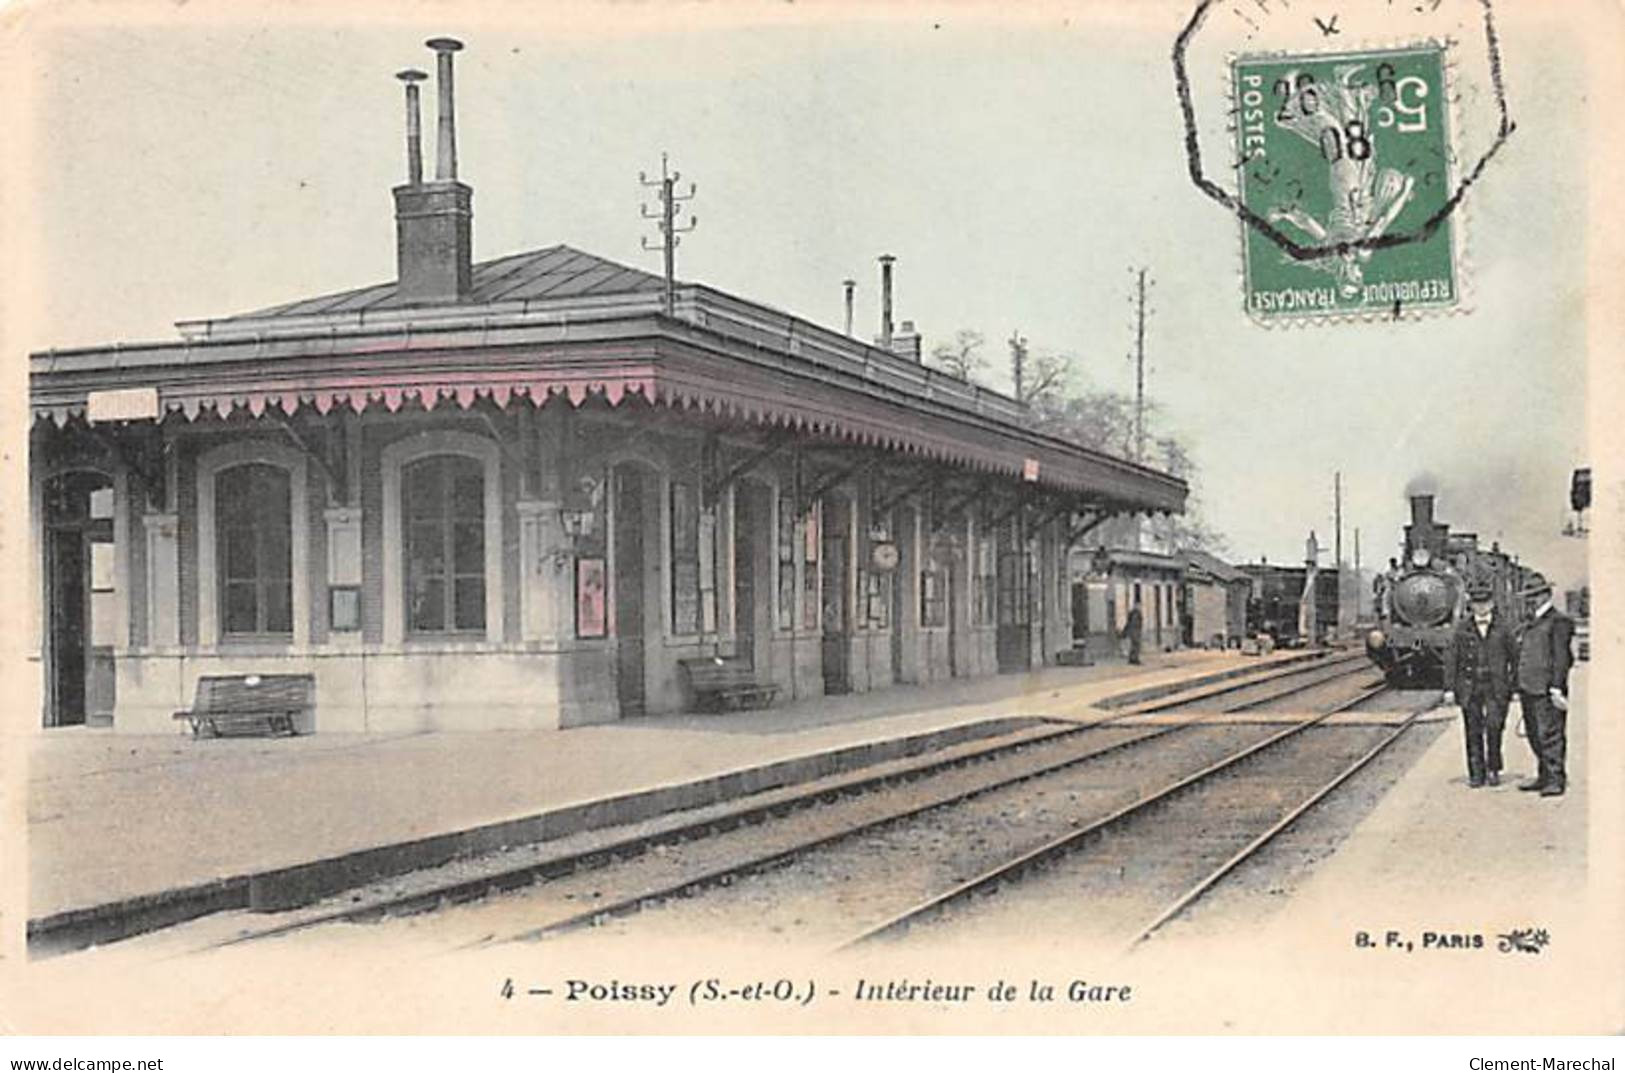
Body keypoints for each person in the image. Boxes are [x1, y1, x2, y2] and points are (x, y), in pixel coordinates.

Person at [1442, 585, 1516, 787]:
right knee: (1472, 730)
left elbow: (1515, 657)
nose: (1481, 608)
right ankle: (1476, 773)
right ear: (1471, 605)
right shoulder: (1462, 628)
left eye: (1484, 603)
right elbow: (1451, 658)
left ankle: (1493, 768)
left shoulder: (1503, 627)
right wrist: (1449, 688)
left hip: (1496, 686)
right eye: (1477, 604)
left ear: (1491, 604)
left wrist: (1514, 685)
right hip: (1470, 685)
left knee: (1494, 727)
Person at [1515, 581, 1576, 797]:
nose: (1530, 600)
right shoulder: (1533, 621)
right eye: (1529, 596)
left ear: (1546, 595)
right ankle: (1544, 776)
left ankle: (1556, 779)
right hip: (1529, 687)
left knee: (1550, 734)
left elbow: (1562, 658)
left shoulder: (1558, 621)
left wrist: (1557, 687)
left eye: (1535, 595)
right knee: (1534, 734)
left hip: (1546, 688)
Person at [1122, 598, 1144, 665]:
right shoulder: (1136, 613)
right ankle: (1135, 659)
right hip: (1135, 631)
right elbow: (1134, 623)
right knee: (1136, 645)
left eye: (1140, 605)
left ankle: (1132, 659)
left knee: (1134, 645)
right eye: (1138, 605)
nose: (1139, 606)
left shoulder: (1133, 613)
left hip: (1134, 631)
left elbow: (1129, 622)